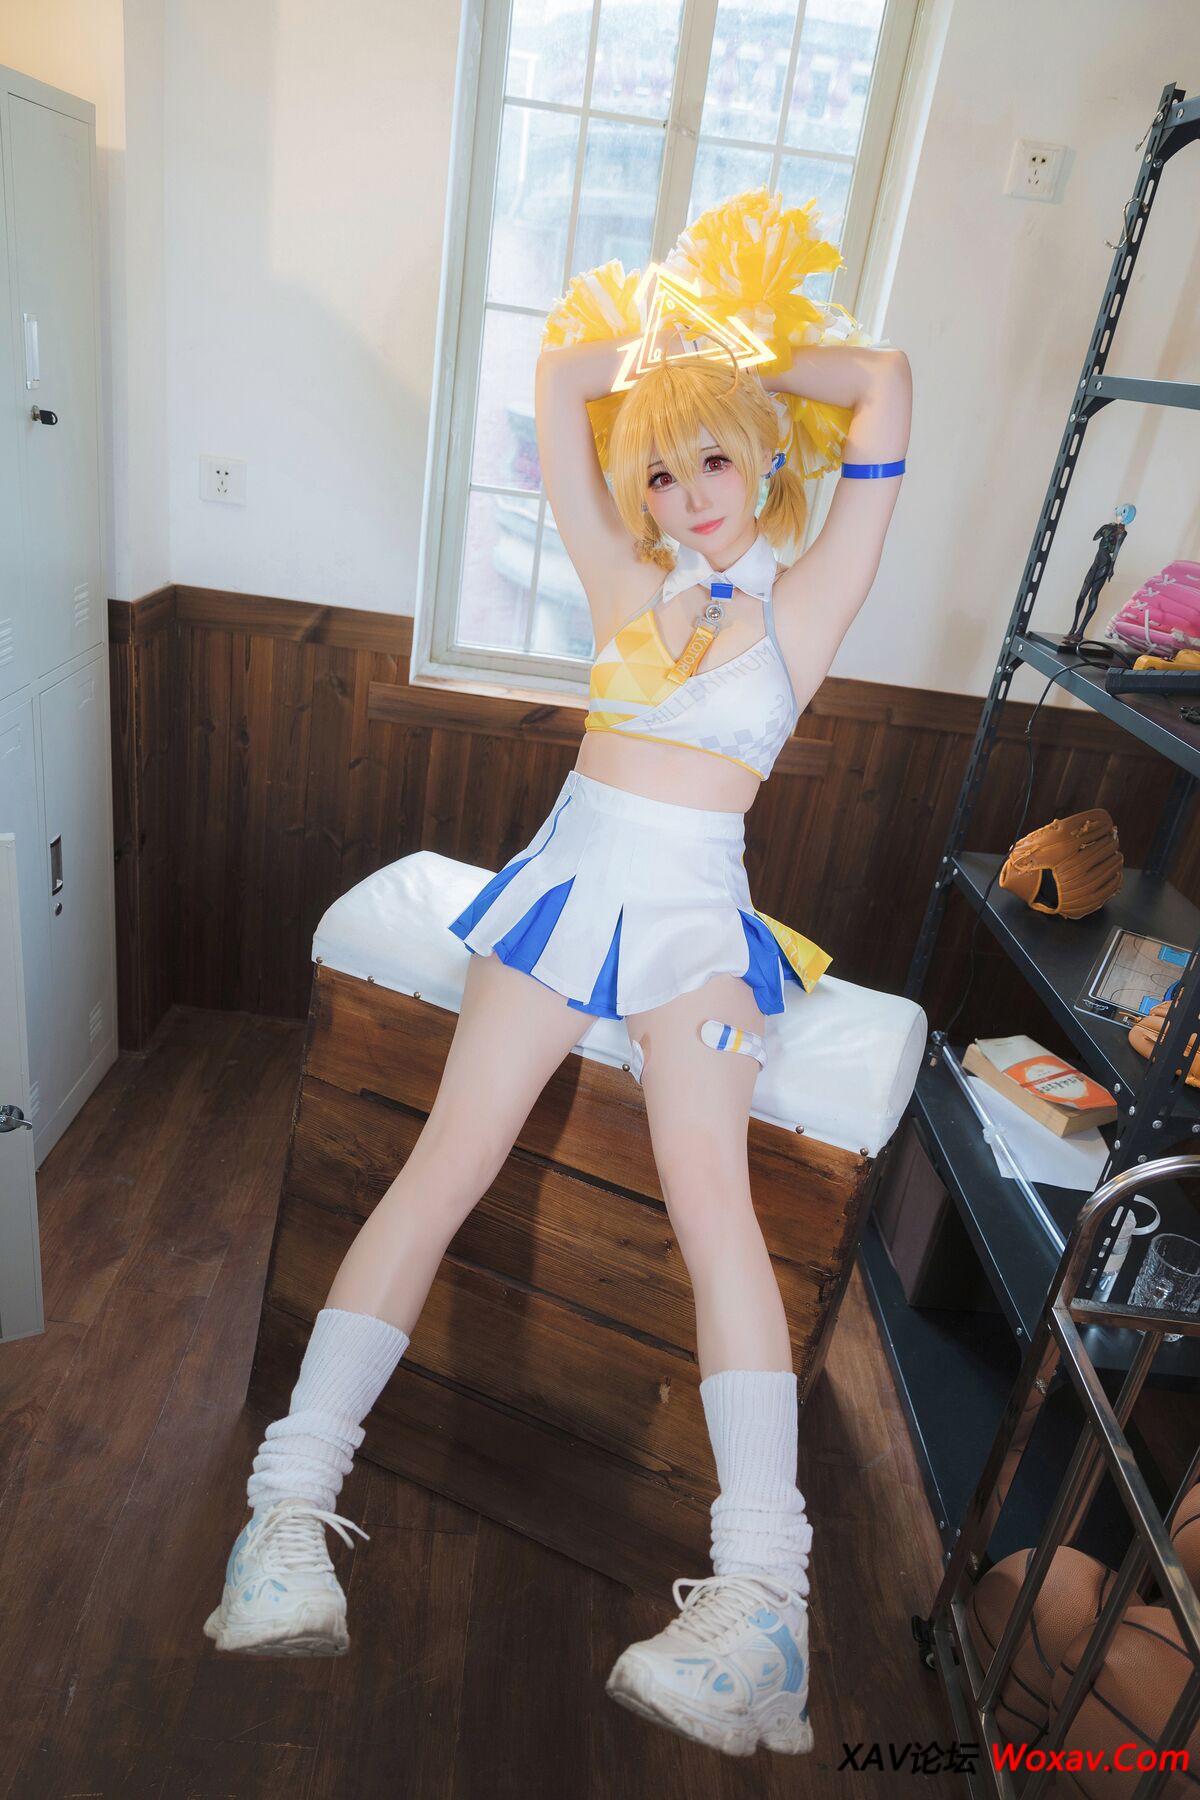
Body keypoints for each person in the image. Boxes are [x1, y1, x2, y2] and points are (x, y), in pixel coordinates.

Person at [203, 189, 912, 1760]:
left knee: (714, 1206)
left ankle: (766, 1601)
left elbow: (886, 386)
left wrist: (737, 356)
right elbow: (562, 374)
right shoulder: (621, 581)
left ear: (765, 457)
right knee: (442, 1164)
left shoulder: (805, 605)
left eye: (711, 458)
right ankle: (285, 1512)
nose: (684, 494)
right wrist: (661, 357)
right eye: (658, 470)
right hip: (565, 893)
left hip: (695, 926)